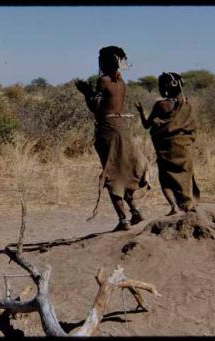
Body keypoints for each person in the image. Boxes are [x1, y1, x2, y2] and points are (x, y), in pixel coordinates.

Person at [75, 46, 150, 232]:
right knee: (123, 172)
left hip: (108, 130)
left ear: (105, 62)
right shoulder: (121, 81)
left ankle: (123, 219)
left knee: (112, 175)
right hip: (122, 128)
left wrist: (85, 92)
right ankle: (135, 210)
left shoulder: (103, 81)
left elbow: (96, 107)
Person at [136, 72, 200, 215]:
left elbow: (147, 125)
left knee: (165, 178)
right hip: (184, 147)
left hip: (166, 148)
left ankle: (174, 207)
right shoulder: (187, 105)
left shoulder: (161, 104)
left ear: (166, 87)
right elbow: (193, 127)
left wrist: (141, 112)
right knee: (185, 176)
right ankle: (187, 203)